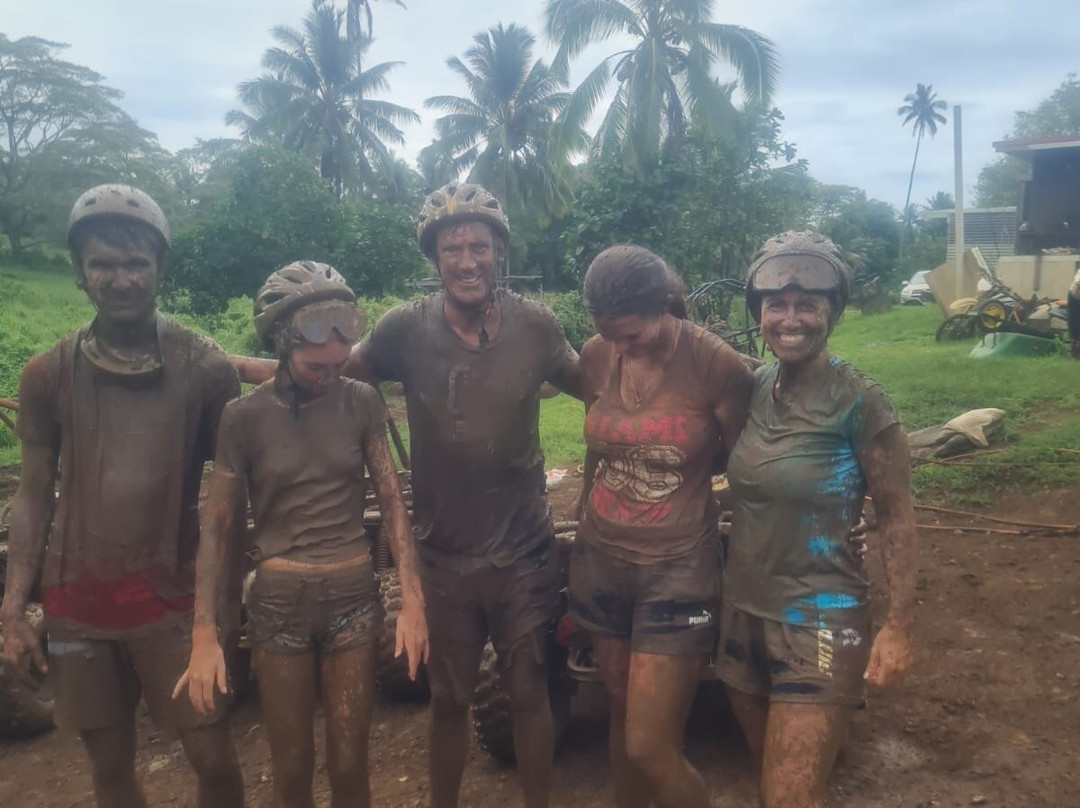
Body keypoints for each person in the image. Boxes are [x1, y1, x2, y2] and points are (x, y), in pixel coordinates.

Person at [230, 184, 579, 808]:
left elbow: (596, 384)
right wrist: (235, 366)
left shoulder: (536, 326)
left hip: (525, 551)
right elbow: (331, 369)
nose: (467, 261)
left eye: (479, 247)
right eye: (452, 249)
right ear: (434, 258)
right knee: (448, 698)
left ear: (499, 251)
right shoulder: (405, 329)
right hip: (442, 554)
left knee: (528, 690)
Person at [0, 185, 244, 807]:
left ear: (161, 267)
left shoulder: (206, 369)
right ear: (80, 272)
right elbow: (32, 496)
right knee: (108, 765)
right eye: (102, 264)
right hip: (77, 602)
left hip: (175, 600)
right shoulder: (46, 374)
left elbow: (231, 496)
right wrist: (12, 607)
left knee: (213, 756)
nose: (121, 279)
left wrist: (227, 605)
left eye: (136, 263)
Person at [174, 261, 428, 808]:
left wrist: (412, 601)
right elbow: (216, 529)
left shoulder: (360, 402)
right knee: (291, 770)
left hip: (353, 601)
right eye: (315, 365)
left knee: (350, 765)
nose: (328, 375)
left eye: (338, 363)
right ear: (281, 345)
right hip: (279, 607)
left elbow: (392, 503)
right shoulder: (242, 418)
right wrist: (204, 634)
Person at [717, 231, 917, 808]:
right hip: (743, 613)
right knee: (766, 777)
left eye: (806, 304)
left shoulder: (861, 402)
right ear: (758, 313)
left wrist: (899, 628)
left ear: (832, 311)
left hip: (822, 619)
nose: (790, 319)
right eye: (776, 305)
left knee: (789, 795)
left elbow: (898, 520)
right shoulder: (755, 386)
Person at [568, 245, 754, 808]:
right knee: (620, 716)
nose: (621, 348)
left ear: (664, 306)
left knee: (650, 745)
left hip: (678, 569)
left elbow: (740, 463)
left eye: (632, 335)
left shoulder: (716, 365)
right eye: (609, 335)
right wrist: (582, 511)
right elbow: (599, 444)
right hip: (602, 561)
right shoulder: (597, 355)